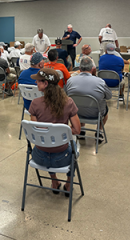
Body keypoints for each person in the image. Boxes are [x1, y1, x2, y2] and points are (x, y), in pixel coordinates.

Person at [28, 68, 81, 196]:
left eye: (38, 81)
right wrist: (63, 130)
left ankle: (54, 181)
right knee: (73, 146)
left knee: (45, 142)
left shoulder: (35, 104)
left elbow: (36, 133)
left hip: (39, 157)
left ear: (45, 84)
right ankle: (68, 183)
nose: (36, 83)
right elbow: (77, 130)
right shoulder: (68, 102)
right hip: (63, 158)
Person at [65, 57, 111, 142]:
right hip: (96, 113)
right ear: (93, 69)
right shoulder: (100, 82)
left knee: (76, 104)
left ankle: (81, 129)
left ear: (79, 68)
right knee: (106, 110)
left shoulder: (70, 81)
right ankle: (99, 132)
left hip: (76, 113)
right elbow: (109, 96)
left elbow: (65, 95)